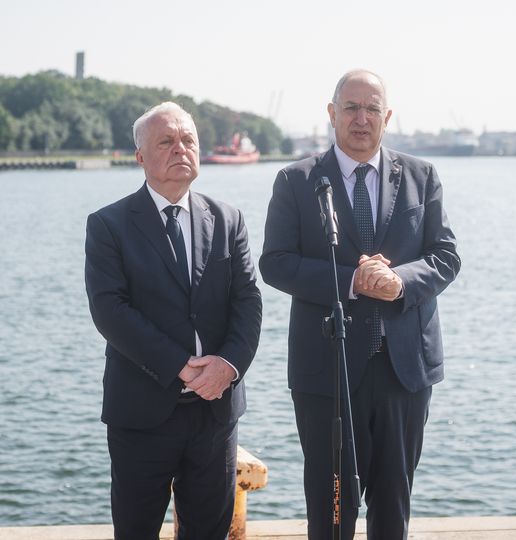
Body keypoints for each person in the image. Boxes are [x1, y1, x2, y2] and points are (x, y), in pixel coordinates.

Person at [259, 70, 460, 539]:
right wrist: (353, 281)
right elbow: (275, 262)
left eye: (372, 109)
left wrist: (399, 282)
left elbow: (446, 256)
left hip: (403, 371)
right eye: (351, 108)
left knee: (392, 510)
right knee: (331, 512)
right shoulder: (296, 180)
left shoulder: (422, 176)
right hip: (326, 373)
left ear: (387, 118)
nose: (361, 118)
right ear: (332, 114)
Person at [85, 102, 262, 540]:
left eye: (188, 140)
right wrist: (181, 366)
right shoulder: (108, 225)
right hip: (141, 412)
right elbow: (110, 311)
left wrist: (228, 367)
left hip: (215, 411)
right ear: (140, 156)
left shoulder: (228, 219)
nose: (180, 149)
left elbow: (248, 302)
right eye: (166, 141)